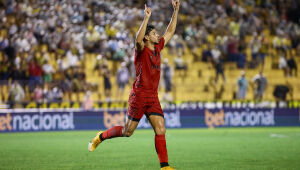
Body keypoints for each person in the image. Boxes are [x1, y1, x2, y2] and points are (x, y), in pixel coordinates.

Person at [88, 1, 180, 170]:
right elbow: (137, 39)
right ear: (147, 37)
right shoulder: (141, 49)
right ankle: (100, 137)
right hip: (138, 95)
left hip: (152, 96)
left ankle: (165, 167)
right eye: (153, 33)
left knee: (160, 129)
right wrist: (146, 19)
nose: (157, 35)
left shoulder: (158, 48)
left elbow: (171, 31)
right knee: (127, 132)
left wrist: (176, 10)